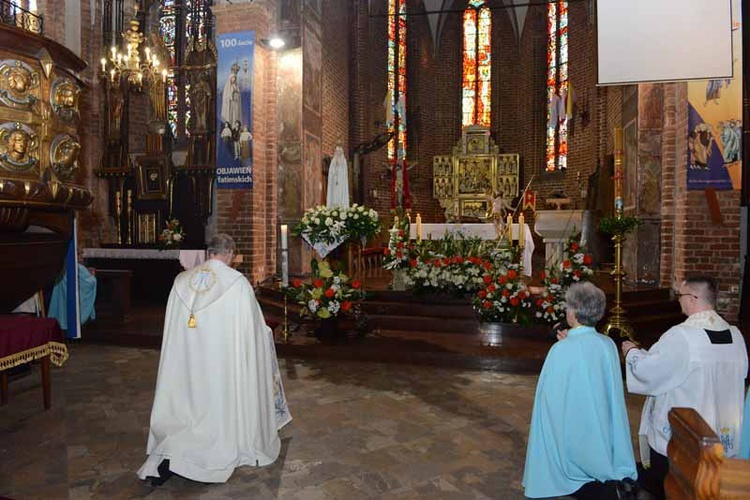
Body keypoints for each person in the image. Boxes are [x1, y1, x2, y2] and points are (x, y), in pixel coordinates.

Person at [137, 234, 291, 485]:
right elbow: (252, 330)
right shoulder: (237, 283)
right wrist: (265, 334)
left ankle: (175, 448)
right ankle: (206, 449)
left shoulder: (181, 281)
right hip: (221, 365)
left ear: (209, 252)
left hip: (187, 362)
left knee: (189, 404)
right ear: (230, 254)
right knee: (216, 404)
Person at [621, 276, 748, 499]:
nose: (678, 301)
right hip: (720, 433)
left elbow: (650, 371)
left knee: (672, 488)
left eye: (680, 295)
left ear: (692, 298)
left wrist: (631, 352)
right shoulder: (736, 336)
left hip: (685, 435)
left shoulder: (682, 337)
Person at [523, 282, 638, 499]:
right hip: (600, 418)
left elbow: (549, 396)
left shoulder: (561, 349)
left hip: (571, 422)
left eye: (568, 307)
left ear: (574, 312)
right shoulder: (607, 344)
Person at [47, 252, 97, 331]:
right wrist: (92, 276)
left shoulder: (63, 265)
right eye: (79, 253)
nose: (82, 256)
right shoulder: (79, 267)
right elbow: (90, 283)